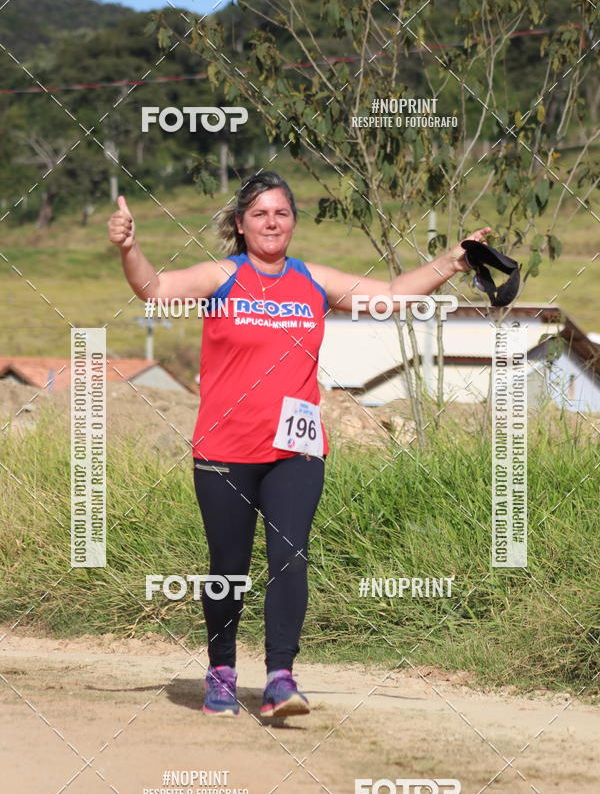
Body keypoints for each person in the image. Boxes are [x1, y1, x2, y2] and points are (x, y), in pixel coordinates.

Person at [108, 171, 491, 719]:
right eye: (259, 213)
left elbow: (387, 294)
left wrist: (452, 262)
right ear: (240, 224)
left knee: (290, 558)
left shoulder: (311, 281)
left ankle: (280, 678)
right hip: (224, 448)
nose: (271, 222)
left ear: (292, 222)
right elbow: (155, 289)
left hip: (296, 448)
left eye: (281, 213)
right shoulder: (222, 277)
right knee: (228, 567)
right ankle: (221, 671)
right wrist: (129, 247)